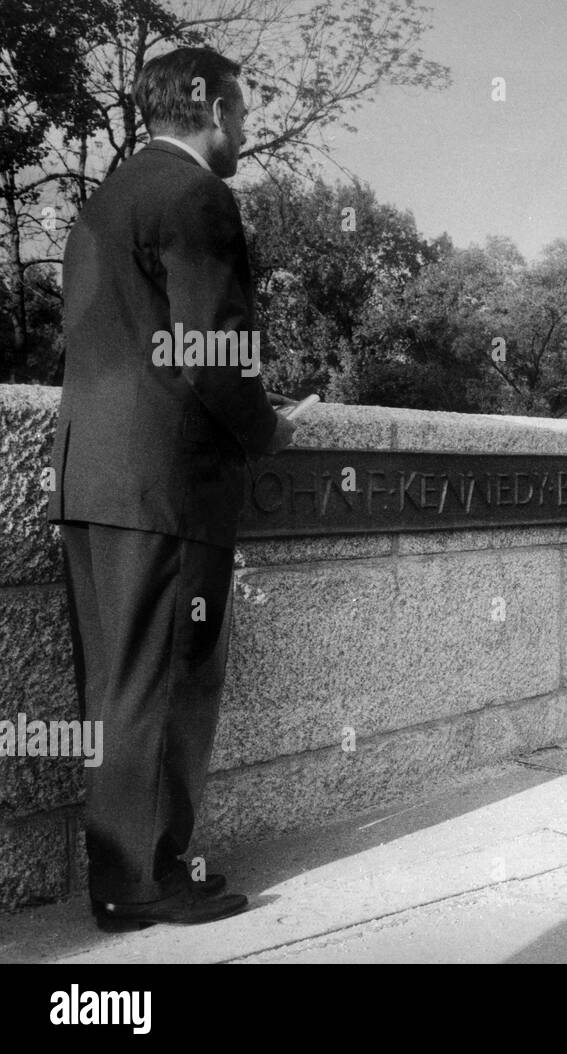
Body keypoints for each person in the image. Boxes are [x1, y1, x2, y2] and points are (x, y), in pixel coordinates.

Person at [46, 47, 295, 928]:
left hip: (91, 479)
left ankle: (119, 878)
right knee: (169, 682)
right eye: (244, 111)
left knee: (116, 688)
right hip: (167, 488)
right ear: (216, 111)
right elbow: (211, 351)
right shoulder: (196, 197)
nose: (246, 128)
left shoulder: (105, 201)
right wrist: (270, 429)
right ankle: (147, 881)